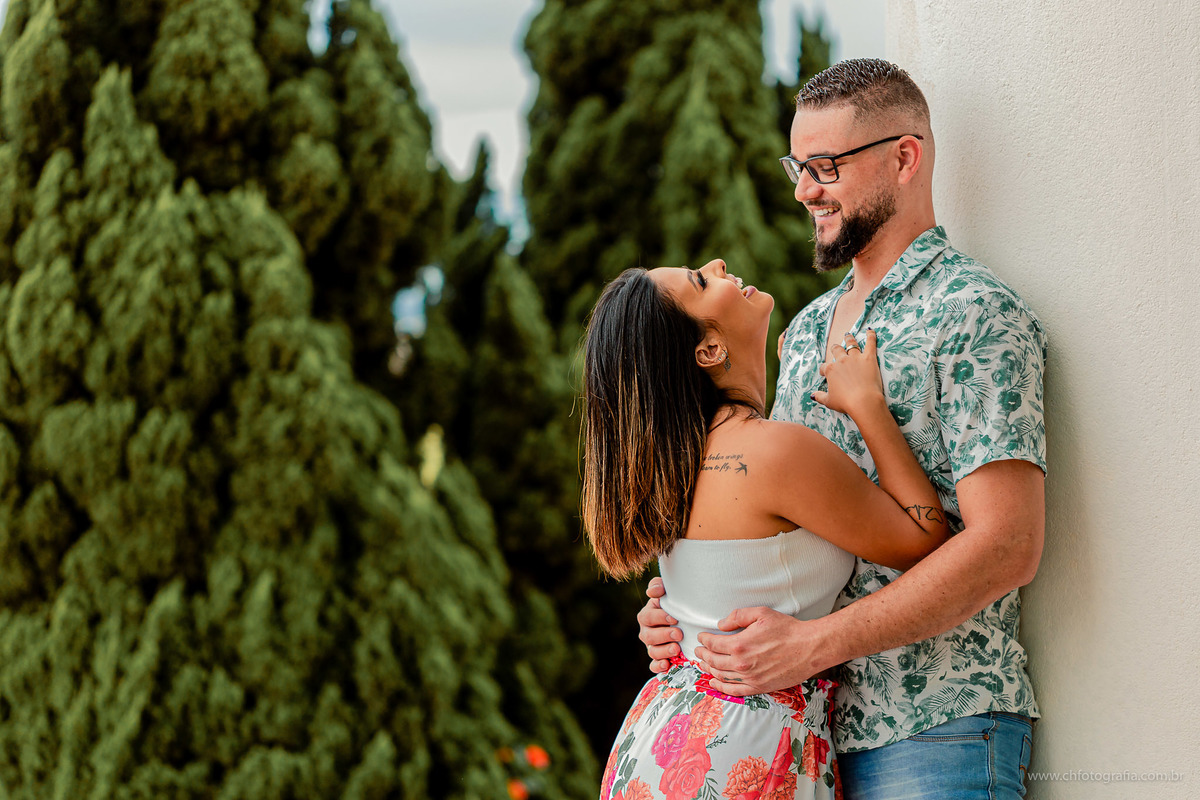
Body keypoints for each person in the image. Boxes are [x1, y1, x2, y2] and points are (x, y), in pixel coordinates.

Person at [637, 59, 1047, 799]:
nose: (802, 190)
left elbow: (1008, 545)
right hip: (805, 741)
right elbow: (779, 526)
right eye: (798, 165)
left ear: (903, 157)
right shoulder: (803, 332)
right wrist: (689, 620)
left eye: (825, 166)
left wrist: (813, 645)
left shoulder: (975, 312)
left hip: (937, 729)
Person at [583, 259, 951, 800]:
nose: (718, 265)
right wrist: (869, 407)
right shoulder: (774, 452)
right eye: (701, 282)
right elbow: (925, 541)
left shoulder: (673, 471)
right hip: (742, 751)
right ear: (708, 349)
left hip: (664, 737)